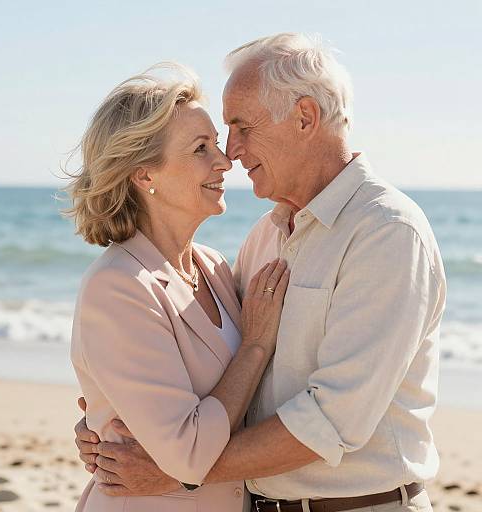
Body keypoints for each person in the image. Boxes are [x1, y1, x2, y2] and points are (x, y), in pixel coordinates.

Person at [75, 34, 446, 512]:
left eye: (241, 127)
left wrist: (178, 468)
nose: (231, 153)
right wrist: (108, 419)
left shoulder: (386, 233)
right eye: (208, 142)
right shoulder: (263, 238)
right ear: (145, 175)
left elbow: (332, 418)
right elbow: (192, 374)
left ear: (305, 118)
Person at [66, 63, 291, 512]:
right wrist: (256, 345)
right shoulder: (117, 287)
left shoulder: (214, 267)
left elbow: (244, 404)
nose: (225, 162)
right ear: (145, 175)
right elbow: (189, 451)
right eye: (200, 149)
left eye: (218, 146)